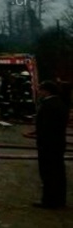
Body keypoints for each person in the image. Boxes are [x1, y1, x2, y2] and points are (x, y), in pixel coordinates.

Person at [33, 81, 68, 209]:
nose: (39, 92)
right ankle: (59, 200)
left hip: (48, 145)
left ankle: (49, 201)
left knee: (48, 173)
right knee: (58, 172)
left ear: (47, 91)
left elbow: (46, 127)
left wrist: (41, 140)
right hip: (57, 143)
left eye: (41, 90)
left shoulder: (48, 105)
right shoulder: (60, 103)